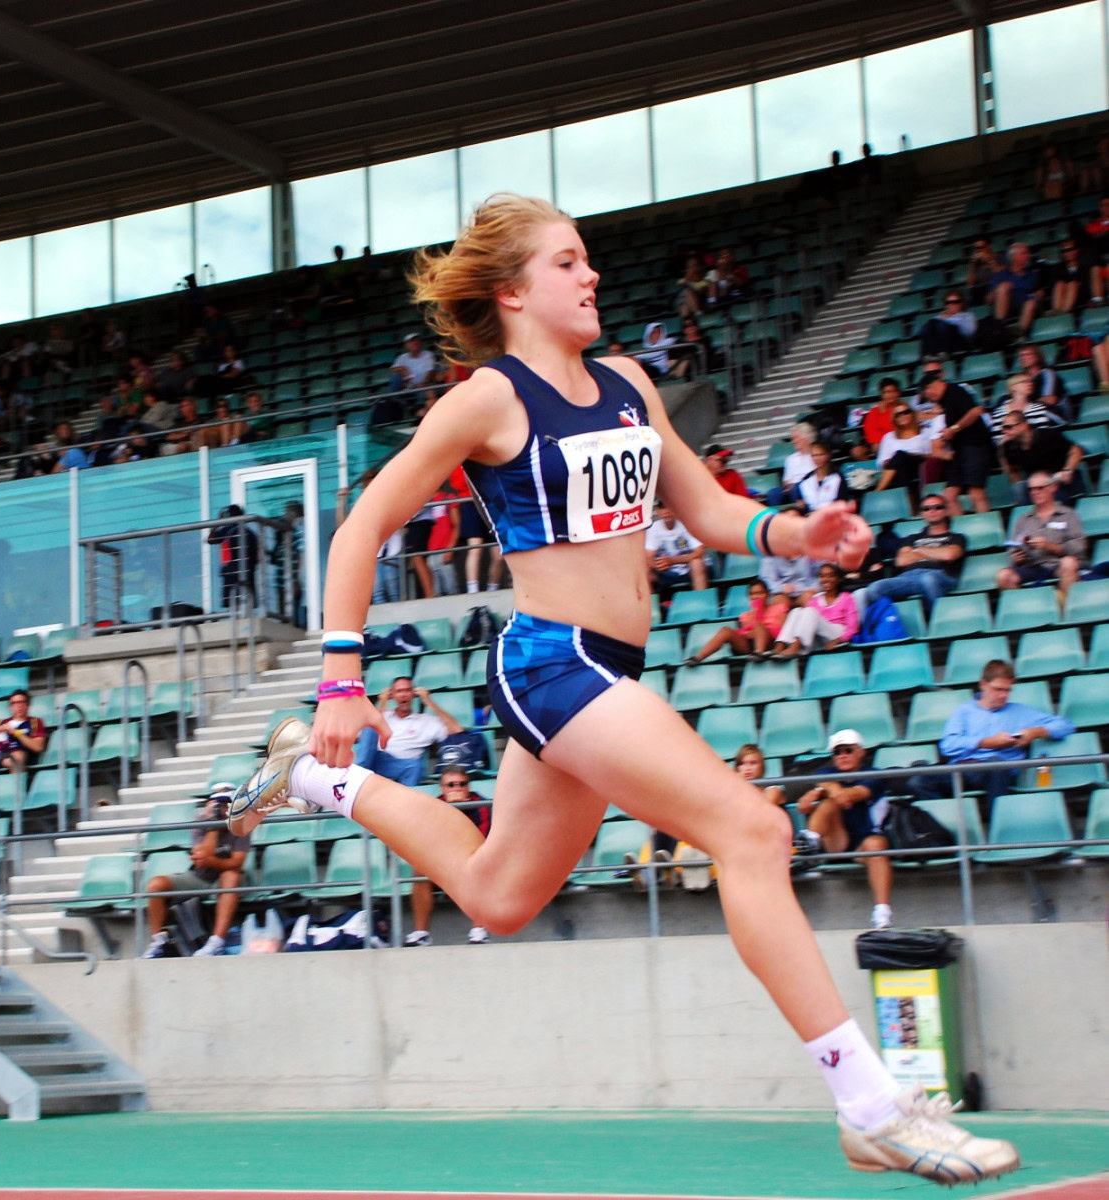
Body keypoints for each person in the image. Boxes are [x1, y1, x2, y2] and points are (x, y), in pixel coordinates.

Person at [222, 194, 1015, 1183]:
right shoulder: (488, 400)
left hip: (612, 666)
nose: (590, 276)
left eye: (588, 259)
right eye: (566, 263)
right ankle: (869, 1104)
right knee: (754, 832)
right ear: (512, 291)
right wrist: (342, 678)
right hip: (553, 659)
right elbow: (360, 527)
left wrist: (792, 534)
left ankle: (312, 781)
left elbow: (708, 508)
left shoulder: (630, 382)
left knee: (496, 893)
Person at [913, 659, 1074, 818]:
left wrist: (1035, 732)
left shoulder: (1020, 712)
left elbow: (1065, 725)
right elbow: (948, 746)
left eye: (1007, 690)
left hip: (998, 769)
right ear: (983, 684)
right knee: (918, 781)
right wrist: (988, 742)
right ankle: (943, 830)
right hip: (964, 769)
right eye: (998, 689)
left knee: (996, 765)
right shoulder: (964, 711)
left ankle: (998, 834)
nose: (1003, 695)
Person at [795, 731, 894, 930]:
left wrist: (826, 788)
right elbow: (803, 806)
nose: (842, 755)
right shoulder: (826, 774)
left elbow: (853, 795)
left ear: (861, 752)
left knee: (877, 844)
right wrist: (825, 790)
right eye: (837, 752)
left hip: (863, 844)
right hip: (836, 841)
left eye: (848, 750)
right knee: (830, 802)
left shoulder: (873, 774)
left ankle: (882, 911)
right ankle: (811, 840)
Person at [140, 784, 249, 959]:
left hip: (228, 876)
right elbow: (201, 858)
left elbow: (236, 863)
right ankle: (159, 942)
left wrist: (211, 861)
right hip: (200, 876)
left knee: (231, 876)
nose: (220, 808)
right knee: (156, 885)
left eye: (225, 803)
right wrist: (213, 826)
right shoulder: (200, 823)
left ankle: (216, 942)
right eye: (216, 802)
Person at [405, 767, 492, 946]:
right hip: (443, 863)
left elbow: (482, 843)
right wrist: (451, 810)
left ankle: (479, 930)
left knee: (482, 865)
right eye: (451, 785)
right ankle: (421, 933)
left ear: (469, 787)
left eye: (462, 784)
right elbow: (427, 843)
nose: (457, 788)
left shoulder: (480, 805)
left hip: (472, 860)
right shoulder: (434, 807)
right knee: (420, 872)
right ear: (442, 789)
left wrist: (461, 811)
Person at [862, 496, 966, 614]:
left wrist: (918, 550)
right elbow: (901, 561)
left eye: (938, 507)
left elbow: (949, 555)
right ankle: (892, 624)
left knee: (928, 579)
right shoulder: (912, 538)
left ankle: (939, 621)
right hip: (908, 578)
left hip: (940, 575)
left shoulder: (956, 537)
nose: (932, 511)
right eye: (926, 508)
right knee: (875, 588)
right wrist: (937, 553)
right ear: (922, 513)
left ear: (946, 510)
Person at [353, 676, 463, 787]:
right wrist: (382, 703)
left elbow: (457, 729)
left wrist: (429, 702)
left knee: (415, 766)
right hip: (375, 759)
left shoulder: (426, 721)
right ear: (392, 696)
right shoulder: (383, 716)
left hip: (402, 765)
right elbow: (362, 738)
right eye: (399, 691)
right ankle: (356, 782)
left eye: (407, 690)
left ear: (414, 694)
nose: (403, 695)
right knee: (370, 725)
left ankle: (406, 802)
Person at [995, 473, 1086, 603]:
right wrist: (1016, 558)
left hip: (1058, 564)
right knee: (1003, 576)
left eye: (1040, 488)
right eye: (1031, 489)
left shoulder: (1068, 515)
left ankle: (1066, 610)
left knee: (1069, 563)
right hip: (1033, 566)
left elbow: (1079, 547)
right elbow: (1013, 548)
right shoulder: (1023, 520)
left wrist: (1050, 546)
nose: (1035, 492)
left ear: (1052, 488)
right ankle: (1026, 611)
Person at [921, 370, 992, 516]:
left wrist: (954, 428)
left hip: (975, 445)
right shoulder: (942, 403)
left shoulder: (955, 391)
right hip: (958, 451)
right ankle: (960, 527)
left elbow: (975, 412)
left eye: (928, 391)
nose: (929, 396)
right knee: (949, 495)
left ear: (934, 385)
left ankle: (984, 523)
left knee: (976, 492)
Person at [685, 579, 789, 665]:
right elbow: (747, 634)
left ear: (767, 594)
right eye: (752, 594)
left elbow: (782, 632)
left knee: (758, 625)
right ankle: (698, 658)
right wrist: (758, 620)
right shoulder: (746, 615)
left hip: (771, 644)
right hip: (749, 647)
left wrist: (760, 628)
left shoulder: (779, 608)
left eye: (759, 593)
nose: (755, 597)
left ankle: (759, 653)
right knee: (725, 630)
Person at [769, 564, 859, 658]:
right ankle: (780, 645)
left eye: (830, 576)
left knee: (810, 611)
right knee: (796, 611)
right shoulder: (815, 600)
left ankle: (795, 647)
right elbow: (808, 624)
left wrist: (839, 640)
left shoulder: (847, 598)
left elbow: (853, 627)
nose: (826, 579)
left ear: (838, 579)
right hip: (819, 638)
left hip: (837, 634)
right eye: (822, 576)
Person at [997, 410, 1084, 504]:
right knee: (1020, 488)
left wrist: (1068, 471)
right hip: (1037, 486)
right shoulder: (1009, 446)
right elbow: (1012, 471)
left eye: (1008, 427)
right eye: (1003, 428)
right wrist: (1001, 450)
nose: (1005, 431)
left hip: (1061, 481)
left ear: (1024, 425)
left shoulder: (1047, 435)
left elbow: (1076, 451)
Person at [645, 499, 709, 597]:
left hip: (689, 570)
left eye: (669, 507)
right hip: (668, 572)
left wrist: (672, 561)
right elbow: (648, 557)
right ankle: (652, 609)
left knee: (697, 562)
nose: (666, 511)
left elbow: (699, 552)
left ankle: (701, 602)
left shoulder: (687, 524)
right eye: (662, 508)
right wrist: (659, 565)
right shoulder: (654, 528)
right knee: (645, 568)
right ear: (658, 512)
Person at [874, 403, 932, 499]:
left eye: (906, 412)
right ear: (894, 419)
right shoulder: (889, 437)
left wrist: (909, 455)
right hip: (899, 469)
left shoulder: (925, 432)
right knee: (900, 465)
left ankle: (878, 491)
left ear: (912, 414)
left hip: (920, 465)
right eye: (898, 414)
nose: (903, 416)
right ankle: (911, 504)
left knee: (900, 455)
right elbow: (883, 462)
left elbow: (931, 455)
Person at [790, 442, 848, 513]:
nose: (817, 458)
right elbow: (802, 505)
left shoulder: (837, 477)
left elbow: (842, 502)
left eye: (821, 455)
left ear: (828, 455)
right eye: (814, 455)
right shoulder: (806, 480)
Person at [735, 744, 786, 808]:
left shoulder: (773, 790)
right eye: (742, 764)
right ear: (737, 767)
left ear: (762, 766)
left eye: (753, 763)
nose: (747, 768)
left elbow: (759, 810)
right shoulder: (736, 793)